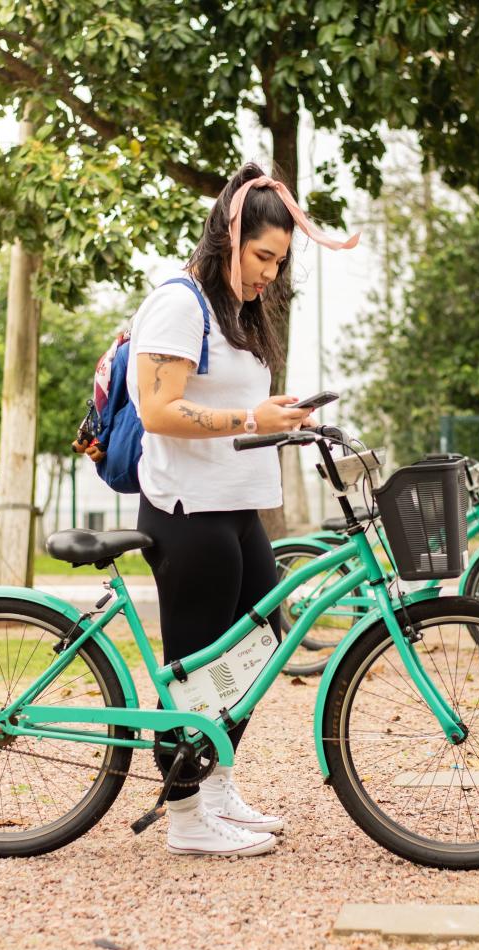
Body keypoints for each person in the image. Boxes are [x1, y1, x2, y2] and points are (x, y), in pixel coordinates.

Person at [126, 162, 358, 857]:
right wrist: (247, 416)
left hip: (238, 505)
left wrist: (281, 418)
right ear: (228, 237)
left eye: (279, 261)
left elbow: (243, 409)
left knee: (260, 649)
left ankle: (218, 784)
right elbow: (157, 409)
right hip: (187, 510)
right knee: (195, 669)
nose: (269, 273)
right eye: (263, 256)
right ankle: (186, 816)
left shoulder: (239, 309)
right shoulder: (179, 302)